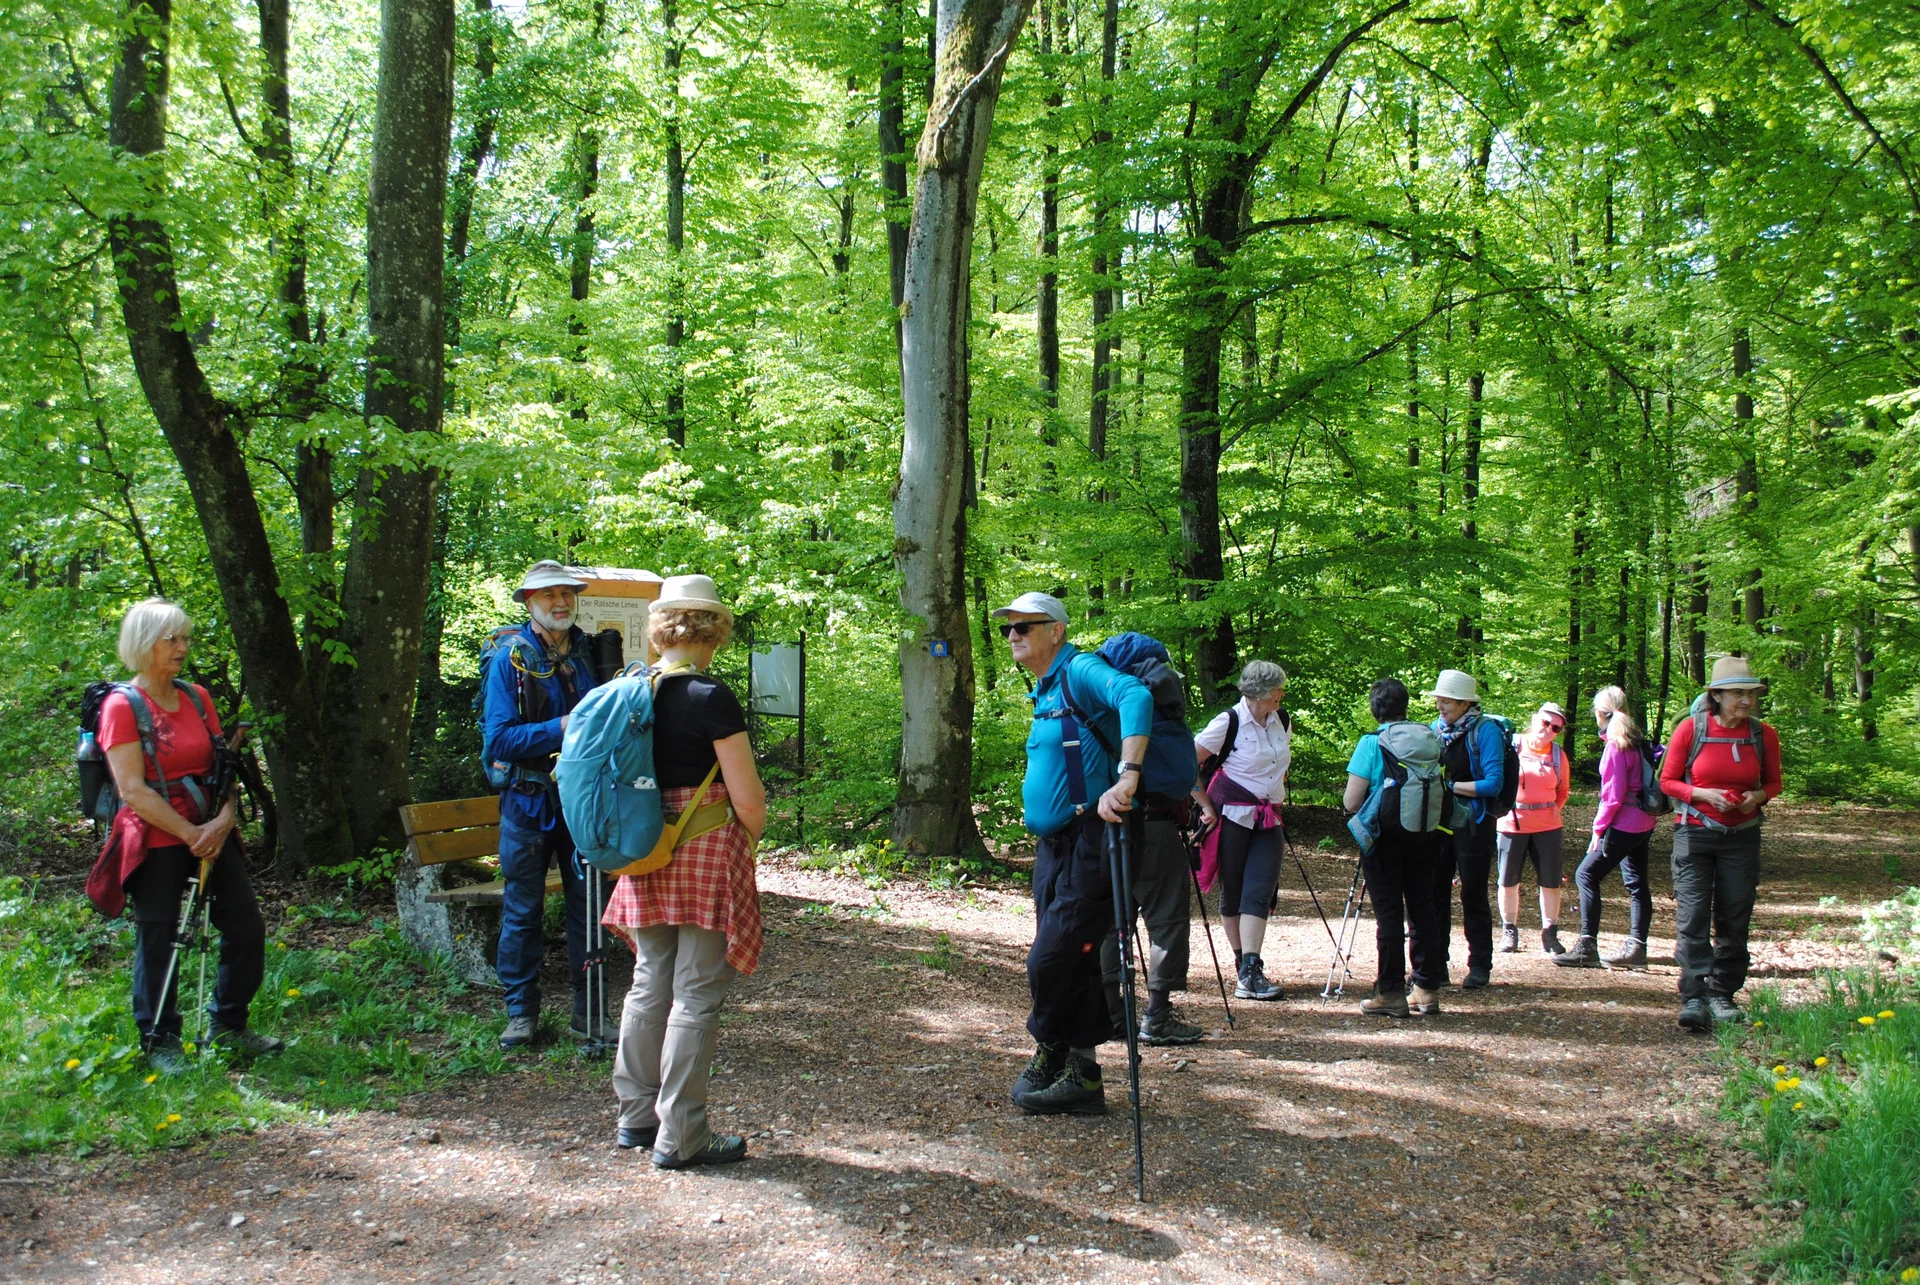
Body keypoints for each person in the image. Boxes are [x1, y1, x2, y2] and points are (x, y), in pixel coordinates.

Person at [603, 574, 766, 1169]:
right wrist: (750, 836)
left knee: (649, 983)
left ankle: (636, 1119)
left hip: (643, 844)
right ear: (713, 630)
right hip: (702, 847)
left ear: (660, 629)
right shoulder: (710, 697)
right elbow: (747, 799)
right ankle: (682, 1136)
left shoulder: (628, 690)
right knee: (695, 996)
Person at [89, 598, 280, 1072]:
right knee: (159, 936)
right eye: (170, 639)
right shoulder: (121, 706)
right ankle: (160, 1039)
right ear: (142, 643)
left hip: (212, 831)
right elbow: (132, 789)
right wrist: (193, 834)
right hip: (155, 838)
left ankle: (229, 1026)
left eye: (185, 638)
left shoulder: (197, 697)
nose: (182, 647)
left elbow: (225, 768)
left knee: (245, 927)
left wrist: (224, 820)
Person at [995, 591, 1152, 1116]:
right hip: (1056, 845)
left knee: (1051, 956)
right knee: (1077, 959)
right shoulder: (1045, 688)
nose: (1014, 635)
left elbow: (1135, 697)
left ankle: (1051, 1047)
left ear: (1056, 630)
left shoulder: (1081, 669)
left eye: (1025, 626)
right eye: (1007, 629)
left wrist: (1127, 777)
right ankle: (1082, 1076)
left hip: (1094, 839)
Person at [481, 560, 600, 1049]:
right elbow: (500, 740)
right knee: (523, 909)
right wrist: (563, 728)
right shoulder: (509, 658)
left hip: (581, 802)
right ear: (528, 603)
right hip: (527, 803)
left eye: (567, 595)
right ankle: (520, 1013)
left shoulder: (591, 654)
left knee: (587, 907)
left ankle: (588, 1015)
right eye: (549, 595)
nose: (560, 603)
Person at [1660, 657, 1781, 1032]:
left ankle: (1722, 993)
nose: (1746, 701)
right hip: (1694, 834)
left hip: (1741, 837)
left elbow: (1774, 783)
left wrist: (1757, 797)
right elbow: (1667, 781)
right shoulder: (1689, 730)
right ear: (1716, 695)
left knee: (1734, 914)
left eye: (1751, 693)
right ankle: (1694, 994)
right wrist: (1702, 794)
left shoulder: (1764, 735)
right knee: (1692, 916)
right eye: (1738, 693)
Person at [1342, 678, 1448, 1017]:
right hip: (1425, 834)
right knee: (1423, 909)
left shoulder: (1372, 744)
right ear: (1405, 706)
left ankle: (1390, 992)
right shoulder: (1427, 739)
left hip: (1384, 839)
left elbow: (1351, 800)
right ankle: (1426, 988)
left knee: (1389, 914)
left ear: (1375, 709)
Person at [1192, 659, 1292, 1001]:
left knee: (1260, 890)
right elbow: (1188, 762)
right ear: (1260, 693)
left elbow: (1279, 767)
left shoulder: (1283, 720)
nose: (1282, 693)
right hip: (1230, 818)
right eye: (1278, 689)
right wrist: (1205, 805)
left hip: (1268, 818)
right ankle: (1242, 964)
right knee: (1233, 892)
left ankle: (1251, 969)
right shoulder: (1228, 722)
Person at [1558, 686, 1657, 970]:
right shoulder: (1637, 741)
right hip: (1644, 823)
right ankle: (1638, 948)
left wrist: (1598, 830)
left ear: (1601, 714)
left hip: (1624, 824)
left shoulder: (1616, 744)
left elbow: (1612, 796)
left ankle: (1587, 947)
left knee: (1585, 874)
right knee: (1637, 884)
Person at [1495, 704, 1571, 956]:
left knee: (1550, 881)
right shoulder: (1513, 745)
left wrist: (1547, 811)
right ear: (1535, 719)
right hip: (1511, 823)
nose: (1548, 730)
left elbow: (1562, 791)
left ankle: (1549, 933)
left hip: (1548, 826)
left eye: (1555, 728)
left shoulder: (1558, 756)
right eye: (1545, 723)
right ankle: (1509, 930)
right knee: (1508, 880)